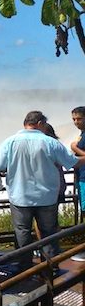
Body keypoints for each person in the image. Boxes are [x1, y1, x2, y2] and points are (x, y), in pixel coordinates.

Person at [0, 111, 85, 272]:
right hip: (47, 197)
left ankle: (25, 268)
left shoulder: (10, 142)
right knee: (49, 233)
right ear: (41, 123)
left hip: (19, 196)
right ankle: (50, 267)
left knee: (22, 232)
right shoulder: (50, 142)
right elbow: (72, 163)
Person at [69, 106, 85, 261]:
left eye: (79, 118)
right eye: (74, 119)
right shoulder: (82, 134)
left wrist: (74, 148)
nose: (75, 122)